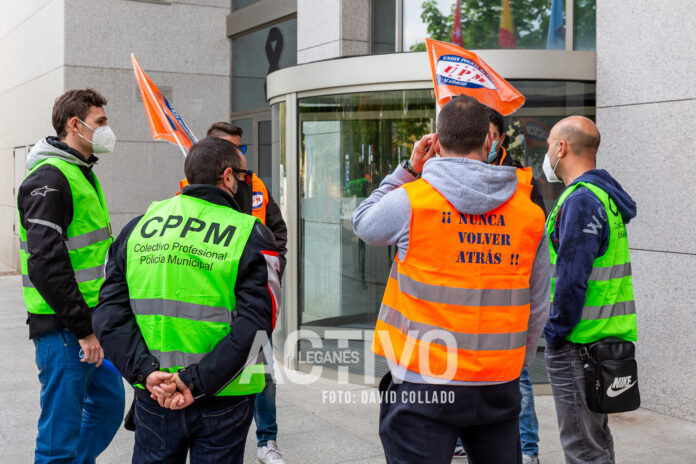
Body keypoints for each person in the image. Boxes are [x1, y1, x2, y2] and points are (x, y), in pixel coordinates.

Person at [352, 95, 550, 464]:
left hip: (423, 383)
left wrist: (408, 170)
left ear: (436, 144)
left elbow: (363, 220)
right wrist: (514, 363)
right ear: (490, 141)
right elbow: (538, 304)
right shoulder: (530, 213)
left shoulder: (412, 201)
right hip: (498, 382)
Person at [92, 137, 281, 464]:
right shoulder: (249, 233)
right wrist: (194, 382)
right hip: (226, 395)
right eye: (243, 176)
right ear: (227, 177)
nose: (246, 184)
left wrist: (145, 372)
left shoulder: (139, 227)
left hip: (155, 391)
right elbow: (257, 326)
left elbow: (108, 314)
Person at [17, 88, 125, 463]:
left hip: (89, 322)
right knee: (57, 438)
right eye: (100, 122)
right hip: (65, 330)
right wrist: (84, 330)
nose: (106, 130)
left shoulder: (80, 173)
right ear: (74, 125)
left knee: (109, 405)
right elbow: (46, 262)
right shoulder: (49, 178)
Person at [542, 116, 637, 464]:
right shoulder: (605, 199)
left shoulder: (581, 201)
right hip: (605, 341)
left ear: (561, 147)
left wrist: (555, 334)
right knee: (595, 442)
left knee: (583, 447)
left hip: (578, 345)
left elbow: (571, 279)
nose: (546, 150)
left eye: (549, 143)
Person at [205, 122, 288, 464]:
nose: (240, 155)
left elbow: (277, 233)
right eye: (232, 148)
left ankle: (266, 441)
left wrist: (270, 273)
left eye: (242, 148)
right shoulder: (187, 190)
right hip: (211, 301)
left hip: (251, 300)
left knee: (263, 373)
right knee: (214, 368)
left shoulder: (257, 187)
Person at [489, 107, 546, 464]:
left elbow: (535, 241)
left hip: (511, 298)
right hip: (475, 301)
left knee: (519, 378)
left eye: (493, 134)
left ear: (500, 138)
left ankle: (528, 449)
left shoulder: (521, 180)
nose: (487, 141)